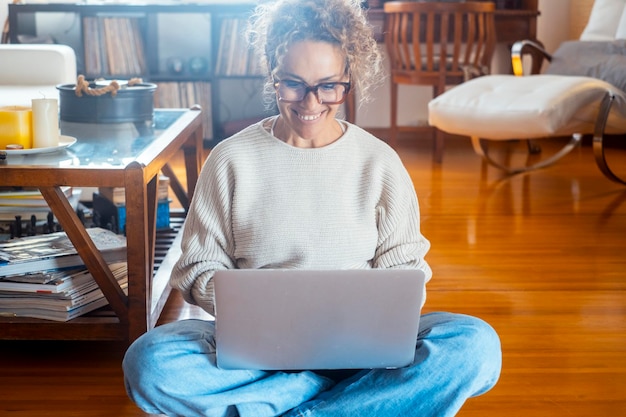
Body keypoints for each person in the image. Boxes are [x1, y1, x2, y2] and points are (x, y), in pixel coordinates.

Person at [122, 0, 502, 416]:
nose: (310, 102)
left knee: (476, 346)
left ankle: (297, 407)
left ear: (347, 78)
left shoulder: (380, 162)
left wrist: (374, 317)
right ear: (273, 72)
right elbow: (198, 268)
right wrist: (263, 313)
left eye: (328, 85)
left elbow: (405, 271)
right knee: (149, 363)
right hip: (259, 351)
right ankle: (352, 400)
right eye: (294, 84)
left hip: (362, 350)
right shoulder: (230, 160)